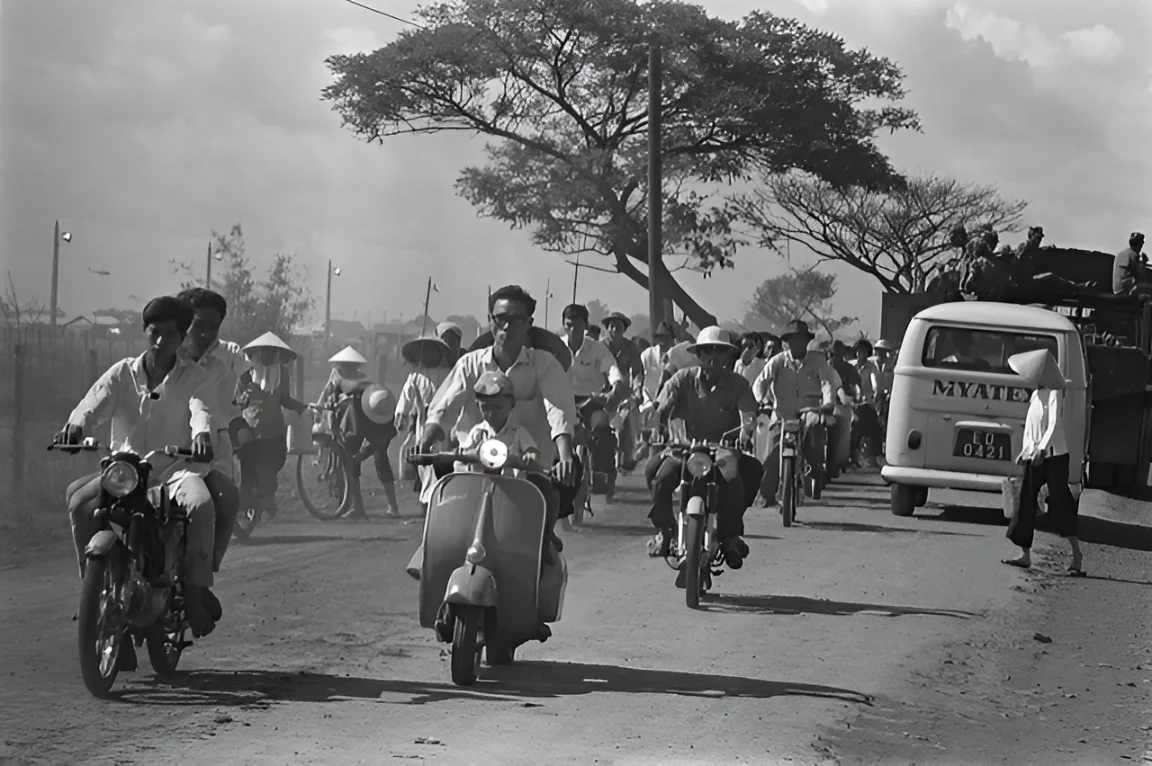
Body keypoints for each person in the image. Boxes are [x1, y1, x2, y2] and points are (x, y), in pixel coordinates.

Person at [57, 295, 221, 643]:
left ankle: (194, 596)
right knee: (78, 504)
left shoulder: (195, 376)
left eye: (170, 335)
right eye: (155, 332)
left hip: (174, 472)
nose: (161, 341)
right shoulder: (123, 373)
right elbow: (93, 402)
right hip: (125, 470)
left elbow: (200, 409)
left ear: (181, 338)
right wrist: (75, 426)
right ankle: (93, 591)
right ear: (145, 332)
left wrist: (202, 434)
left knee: (202, 505)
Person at [418, 285, 582, 537]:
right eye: (500, 319)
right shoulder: (469, 364)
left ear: (528, 323)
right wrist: (425, 442)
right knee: (440, 516)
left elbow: (557, 411)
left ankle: (545, 544)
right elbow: (444, 408)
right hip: (471, 468)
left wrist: (565, 456)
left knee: (545, 506)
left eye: (516, 320)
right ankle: (429, 552)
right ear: (490, 322)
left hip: (527, 473)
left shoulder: (545, 364)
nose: (506, 327)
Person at [644, 326, 762, 569]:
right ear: (697, 355)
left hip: (723, 450)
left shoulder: (738, 383)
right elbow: (663, 405)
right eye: (706, 351)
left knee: (744, 476)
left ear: (729, 357)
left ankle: (730, 536)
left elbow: (748, 413)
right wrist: (658, 424)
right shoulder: (682, 379)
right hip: (683, 449)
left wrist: (745, 431)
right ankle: (665, 530)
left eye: (719, 352)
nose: (712, 357)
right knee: (657, 475)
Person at [175, 287, 243, 570]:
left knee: (224, 497)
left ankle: (205, 572)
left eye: (212, 327)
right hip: (157, 454)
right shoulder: (160, 357)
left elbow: (211, 407)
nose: (204, 334)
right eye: (198, 324)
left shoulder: (222, 364)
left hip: (208, 453)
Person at [1003, 350, 1084, 575]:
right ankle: (1025, 554)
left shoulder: (1055, 393)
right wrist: (1026, 450)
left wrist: (1041, 449)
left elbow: (1052, 425)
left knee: (1060, 503)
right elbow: (1031, 428)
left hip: (1055, 456)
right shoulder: (1035, 395)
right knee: (1025, 501)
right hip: (1035, 456)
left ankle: (1076, 554)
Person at [752, 320, 838, 506]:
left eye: (800, 340)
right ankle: (766, 494)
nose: (796, 344)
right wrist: (763, 400)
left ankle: (814, 471)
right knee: (773, 451)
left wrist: (829, 403)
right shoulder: (778, 361)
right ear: (786, 342)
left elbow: (827, 383)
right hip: (782, 414)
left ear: (806, 341)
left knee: (815, 432)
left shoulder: (818, 360)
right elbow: (760, 383)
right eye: (793, 340)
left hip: (809, 411)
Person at [233, 332, 308, 524]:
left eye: (270, 352)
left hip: (273, 431)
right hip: (250, 431)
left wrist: (301, 407)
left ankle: (265, 505)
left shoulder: (281, 374)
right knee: (248, 472)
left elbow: (284, 398)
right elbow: (236, 402)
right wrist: (245, 397)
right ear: (256, 353)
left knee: (270, 470)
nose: (266, 356)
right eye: (263, 351)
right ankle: (249, 511)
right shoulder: (245, 376)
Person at [318, 347, 400, 517]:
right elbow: (326, 399)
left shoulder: (379, 402)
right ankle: (359, 507)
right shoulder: (341, 381)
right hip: (354, 419)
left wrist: (361, 454)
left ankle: (388, 507)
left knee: (375, 459)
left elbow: (380, 440)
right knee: (353, 461)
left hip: (362, 420)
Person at [396, 326, 458, 495]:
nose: (428, 355)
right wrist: (402, 414)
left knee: (446, 463)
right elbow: (406, 397)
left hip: (447, 427)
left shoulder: (452, 374)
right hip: (423, 427)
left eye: (432, 351)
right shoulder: (416, 377)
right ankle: (427, 501)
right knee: (425, 466)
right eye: (425, 351)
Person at [453, 370, 541, 475]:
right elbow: (462, 456)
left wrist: (530, 457)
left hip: (511, 486)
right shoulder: (477, 433)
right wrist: (464, 457)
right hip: (480, 484)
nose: (491, 413)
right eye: (485, 408)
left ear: (511, 404)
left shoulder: (516, 432)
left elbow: (531, 450)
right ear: (477, 406)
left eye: (497, 407)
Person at [602, 312, 643, 470]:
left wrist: (638, 391)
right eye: (611, 327)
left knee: (624, 424)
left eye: (618, 327)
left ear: (623, 330)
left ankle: (625, 460)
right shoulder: (600, 346)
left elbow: (638, 372)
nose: (614, 330)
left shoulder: (630, 347)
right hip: (603, 391)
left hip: (623, 393)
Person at [561, 304, 626, 403]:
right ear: (563, 325)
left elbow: (611, 367)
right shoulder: (556, 347)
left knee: (600, 418)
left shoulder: (597, 348)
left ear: (586, 326)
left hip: (591, 401)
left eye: (577, 325)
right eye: (569, 325)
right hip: (562, 402)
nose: (573, 330)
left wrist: (616, 382)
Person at [850, 340, 883, 465]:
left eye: (863, 352)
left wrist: (876, 393)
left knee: (875, 430)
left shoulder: (871, 367)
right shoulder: (851, 367)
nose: (860, 354)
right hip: (852, 405)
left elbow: (875, 383)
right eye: (859, 351)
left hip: (867, 405)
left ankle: (877, 457)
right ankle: (850, 456)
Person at [1113, 232, 1149, 296]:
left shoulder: (1124, 253)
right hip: (1124, 289)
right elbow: (1140, 274)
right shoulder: (1133, 254)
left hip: (1117, 288)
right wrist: (1144, 262)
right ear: (1140, 244)